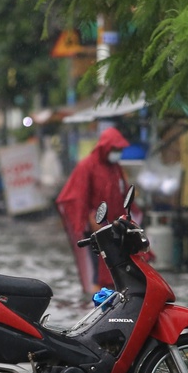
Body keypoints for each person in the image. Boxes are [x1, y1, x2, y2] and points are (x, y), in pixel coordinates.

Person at [55, 127, 130, 296]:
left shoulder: (115, 167)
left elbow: (122, 193)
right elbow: (76, 196)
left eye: (119, 150)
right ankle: (97, 303)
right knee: (100, 270)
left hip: (115, 227)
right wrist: (90, 218)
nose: (117, 153)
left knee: (118, 270)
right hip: (96, 229)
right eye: (115, 149)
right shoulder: (87, 166)